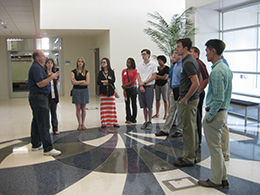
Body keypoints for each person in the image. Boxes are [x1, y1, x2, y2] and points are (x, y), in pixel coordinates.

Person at [198, 39, 232, 189]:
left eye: (206, 51)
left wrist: (209, 117)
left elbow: (218, 98)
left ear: (213, 51)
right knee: (217, 148)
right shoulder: (225, 68)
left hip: (216, 114)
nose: (205, 54)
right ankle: (222, 178)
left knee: (215, 150)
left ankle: (216, 180)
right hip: (222, 113)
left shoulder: (217, 71)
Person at [28, 49, 61, 156]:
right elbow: (40, 84)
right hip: (39, 98)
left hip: (37, 97)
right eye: (43, 56)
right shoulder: (36, 68)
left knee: (37, 121)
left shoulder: (37, 67)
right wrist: (52, 77)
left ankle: (36, 144)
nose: (45, 57)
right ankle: (48, 148)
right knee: (43, 123)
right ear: (37, 57)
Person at [173, 38, 200, 167]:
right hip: (189, 98)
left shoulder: (188, 62)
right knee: (191, 128)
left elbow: (196, 83)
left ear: (185, 48)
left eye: (178, 46)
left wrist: (186, 98)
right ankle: (191, 154)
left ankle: (189, 158)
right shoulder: (188, 61)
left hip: (189, 101)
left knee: (188, 130)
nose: (176, 49)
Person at [155, 50, 183, 136]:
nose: (173, 57)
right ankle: (166, 129)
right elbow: (170, 79)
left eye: (175, 54)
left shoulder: (183, 65)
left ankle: (180, 130)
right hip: (173, 89)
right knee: (171, 110)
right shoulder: (173, 67)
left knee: (180, 111)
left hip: (180, 89)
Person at [190, 46, 209, 146]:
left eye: (191, 52)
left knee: (197, 116)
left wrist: (198, 91)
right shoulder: (193, 63)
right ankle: (194, 139)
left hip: (198, 94)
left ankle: (197, 140)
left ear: (196, 54)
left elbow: (205, 79)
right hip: (194, 93)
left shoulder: (199, 63)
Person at [137, 49, 157, 130]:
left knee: (149, 105)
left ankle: (149, 121)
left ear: (148, 55)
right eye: (142, 54)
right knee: (143, 106)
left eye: (144, 54)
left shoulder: (153, 64)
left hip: (149, 86)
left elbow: (154, 76)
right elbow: (138, 75)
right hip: (141, 87)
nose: (143, 56)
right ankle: (145, 121)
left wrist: (144, 82)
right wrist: (141, 84)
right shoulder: (140, 64)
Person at [97, 57, 120, 128]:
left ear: (107, 63)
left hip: (111, 92)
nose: (103, 64)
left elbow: (112, 81)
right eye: (102, 62)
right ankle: (104, 122)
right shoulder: (100, 73)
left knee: (112, 107)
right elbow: (98, 82)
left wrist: (104, 81)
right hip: (103, 93)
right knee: (104, 108)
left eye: (104, 62)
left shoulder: (111, 72)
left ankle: (114, 121)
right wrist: (106, 82)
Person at [71, 57, 90, 131]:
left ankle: (83, 123)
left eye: (81, 61)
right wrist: (82, 81)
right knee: (78, 108)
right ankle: (79, 124)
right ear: (77, 63)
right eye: (79, 61)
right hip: (76, 91)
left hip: (84, 91)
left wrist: (77, 82)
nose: (80, 63)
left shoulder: (87, 72)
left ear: (83, 63)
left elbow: (87, 83)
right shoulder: (73, 72)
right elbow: (73, 82)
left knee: (83, 108)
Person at [43, 58, 60, 135]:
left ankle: (55, 128)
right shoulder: (43, 74)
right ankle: (46, 129)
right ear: (46, 64)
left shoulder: (55, 73)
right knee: (46, 114)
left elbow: (56, 83)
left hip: (53, 96)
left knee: (54, 113)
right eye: (48, 63)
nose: (50, 64)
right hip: (46, 96)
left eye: (51, 63)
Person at [152, 55, 169, 120]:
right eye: (158, 60)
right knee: (157, 99)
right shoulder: (157, 68)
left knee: (165, 99)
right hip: (157, 84)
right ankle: (157, 113)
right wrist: (159, 77)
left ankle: (165, 114)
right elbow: (154, 76)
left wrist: (158, 76)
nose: (159, 62)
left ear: (163, 61)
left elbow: (165, 77)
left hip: (164, 84)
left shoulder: (166, 68)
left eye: (160, 60)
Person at [121, 58, 138, 124]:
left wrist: (125, 85)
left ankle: (133, 118)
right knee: (127, 104)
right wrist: (124, 89)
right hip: (126, 89)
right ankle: (128, 117)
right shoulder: (124, 71)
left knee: (133, 104)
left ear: (132, 63)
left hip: (132, 89)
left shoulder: (135, 71)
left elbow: (133, 81)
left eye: (129, 62)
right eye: (127, 62)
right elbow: (123, 80)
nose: (127, 64)